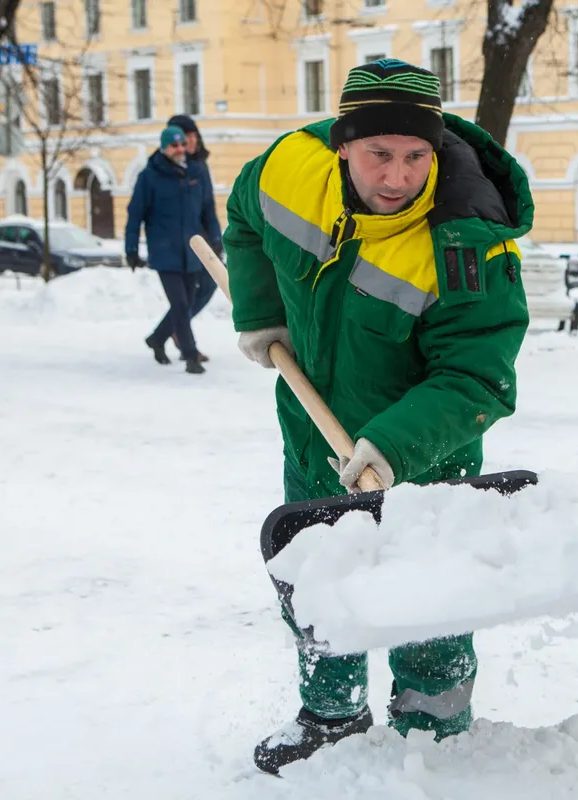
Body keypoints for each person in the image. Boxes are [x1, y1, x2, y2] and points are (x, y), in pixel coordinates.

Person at [224, 59, 532, 775]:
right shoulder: (287, 169)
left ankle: (436, 727)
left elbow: (478, 377)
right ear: (341, 144)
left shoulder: (468, 243)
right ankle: (332, 714)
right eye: (379, 155)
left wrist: (391, 446)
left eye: (417, 156)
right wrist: (260, 313)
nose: (398, 177)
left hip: (428, 459)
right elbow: (243, 222)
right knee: (316, 581)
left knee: (429, 595)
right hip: (313, 436)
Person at [125, 125, 224, 375]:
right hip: (164, 251)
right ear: (164, 148)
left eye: (182, 145)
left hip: (191, 251)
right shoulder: (149, 176)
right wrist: (131, 249)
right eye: (174, 146)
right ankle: (190, 355)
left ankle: (158, 338)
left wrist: (215, 238)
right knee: (180, 303)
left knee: (187, 302)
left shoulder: (196, 172)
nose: (180, 149)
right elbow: (135, 215)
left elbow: (208, 210)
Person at [166, 113, 221, 362]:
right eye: (184, 136)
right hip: (180, 242)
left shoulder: (200, 164)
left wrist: (216, 237)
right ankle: (181, 337)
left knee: (208, 286)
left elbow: (208, 206)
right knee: (186, 295)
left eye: (192, 135)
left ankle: (171, 331)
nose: (190, 140)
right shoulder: (169, 168)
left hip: (203, 238)